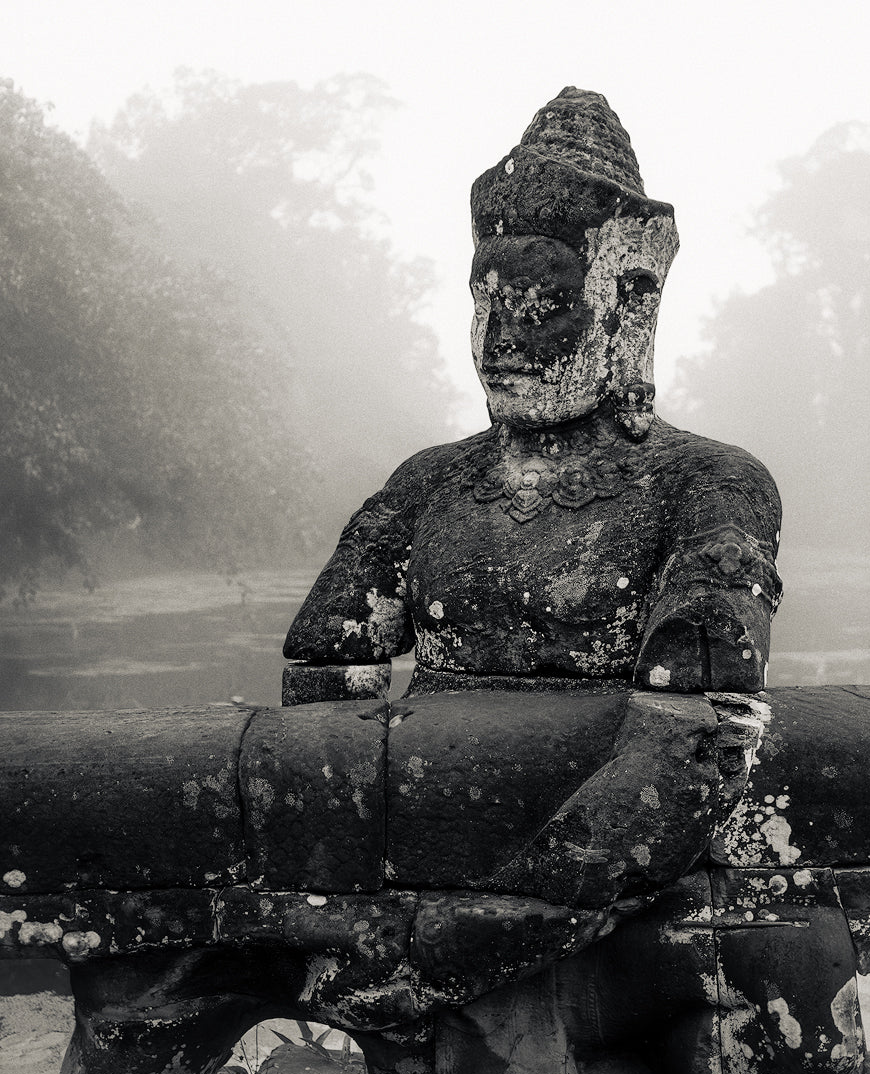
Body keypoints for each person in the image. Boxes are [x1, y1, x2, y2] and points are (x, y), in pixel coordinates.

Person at [284, 87, 782, 700]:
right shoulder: (427, 483)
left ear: (626, 310)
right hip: (426, 783)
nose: (496, 344)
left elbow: (701, 726)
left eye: (536, 310)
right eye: (484, 308)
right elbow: (322, 681)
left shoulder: (706, 485)